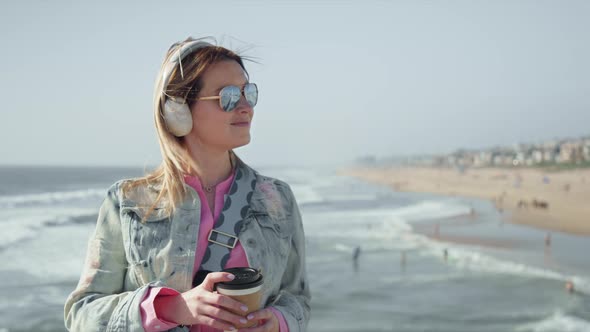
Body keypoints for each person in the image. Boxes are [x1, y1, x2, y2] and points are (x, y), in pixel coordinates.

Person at [64, 37, 310, 332]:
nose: (246, 107)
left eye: (249, 93)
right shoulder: (128, 201)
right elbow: (81, 314)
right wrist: (172, 308)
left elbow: (298, 298)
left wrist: (278, 322)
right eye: (228, 96)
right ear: (177, 110)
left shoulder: (277, 198)